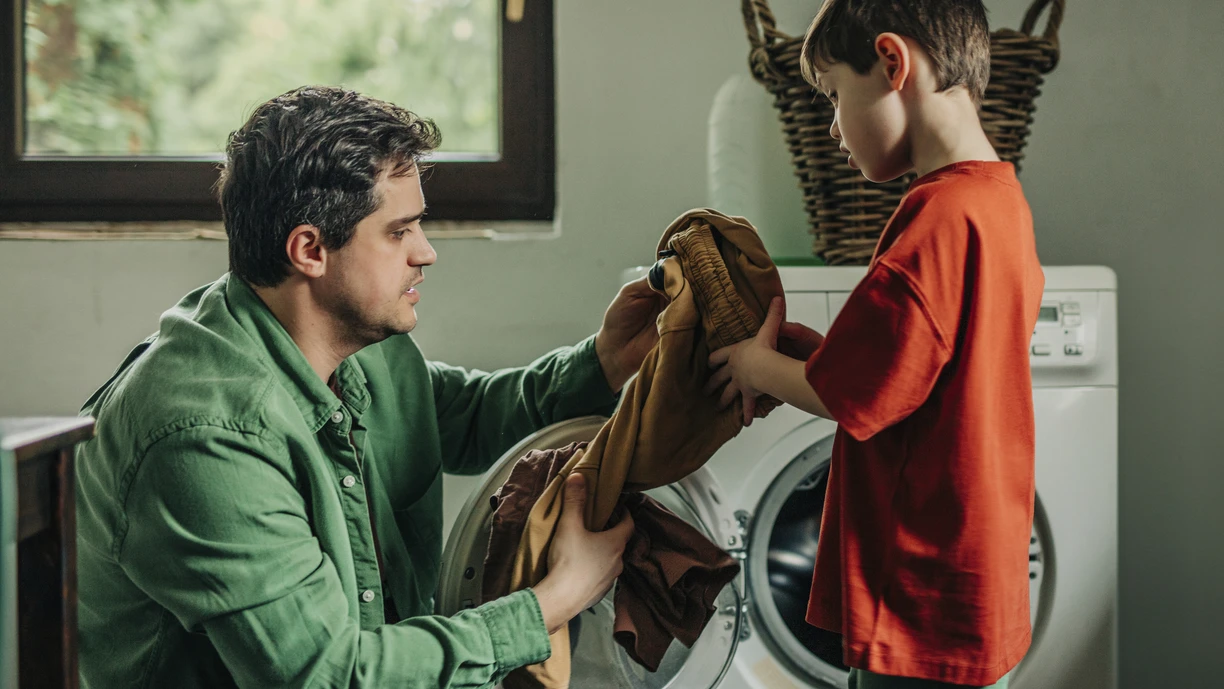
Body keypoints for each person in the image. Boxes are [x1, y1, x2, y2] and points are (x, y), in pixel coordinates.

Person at [75, 85, 661, 688]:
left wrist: (606, 361)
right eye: (398, 231)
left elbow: (466, 416)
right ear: (310, 249)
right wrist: (556, 599)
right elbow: (329, 675)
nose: (426, 253)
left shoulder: (353, 345)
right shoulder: (204, 435)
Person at [705, 1, 1045, 687]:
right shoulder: (998, 202)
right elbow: (918, 365)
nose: (832, 126)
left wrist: (755, 364)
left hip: (919, 591)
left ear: (892, 64)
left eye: (834, 95)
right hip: (977, 580)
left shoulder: (933, 220)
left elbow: (858, 393)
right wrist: (799, 354)